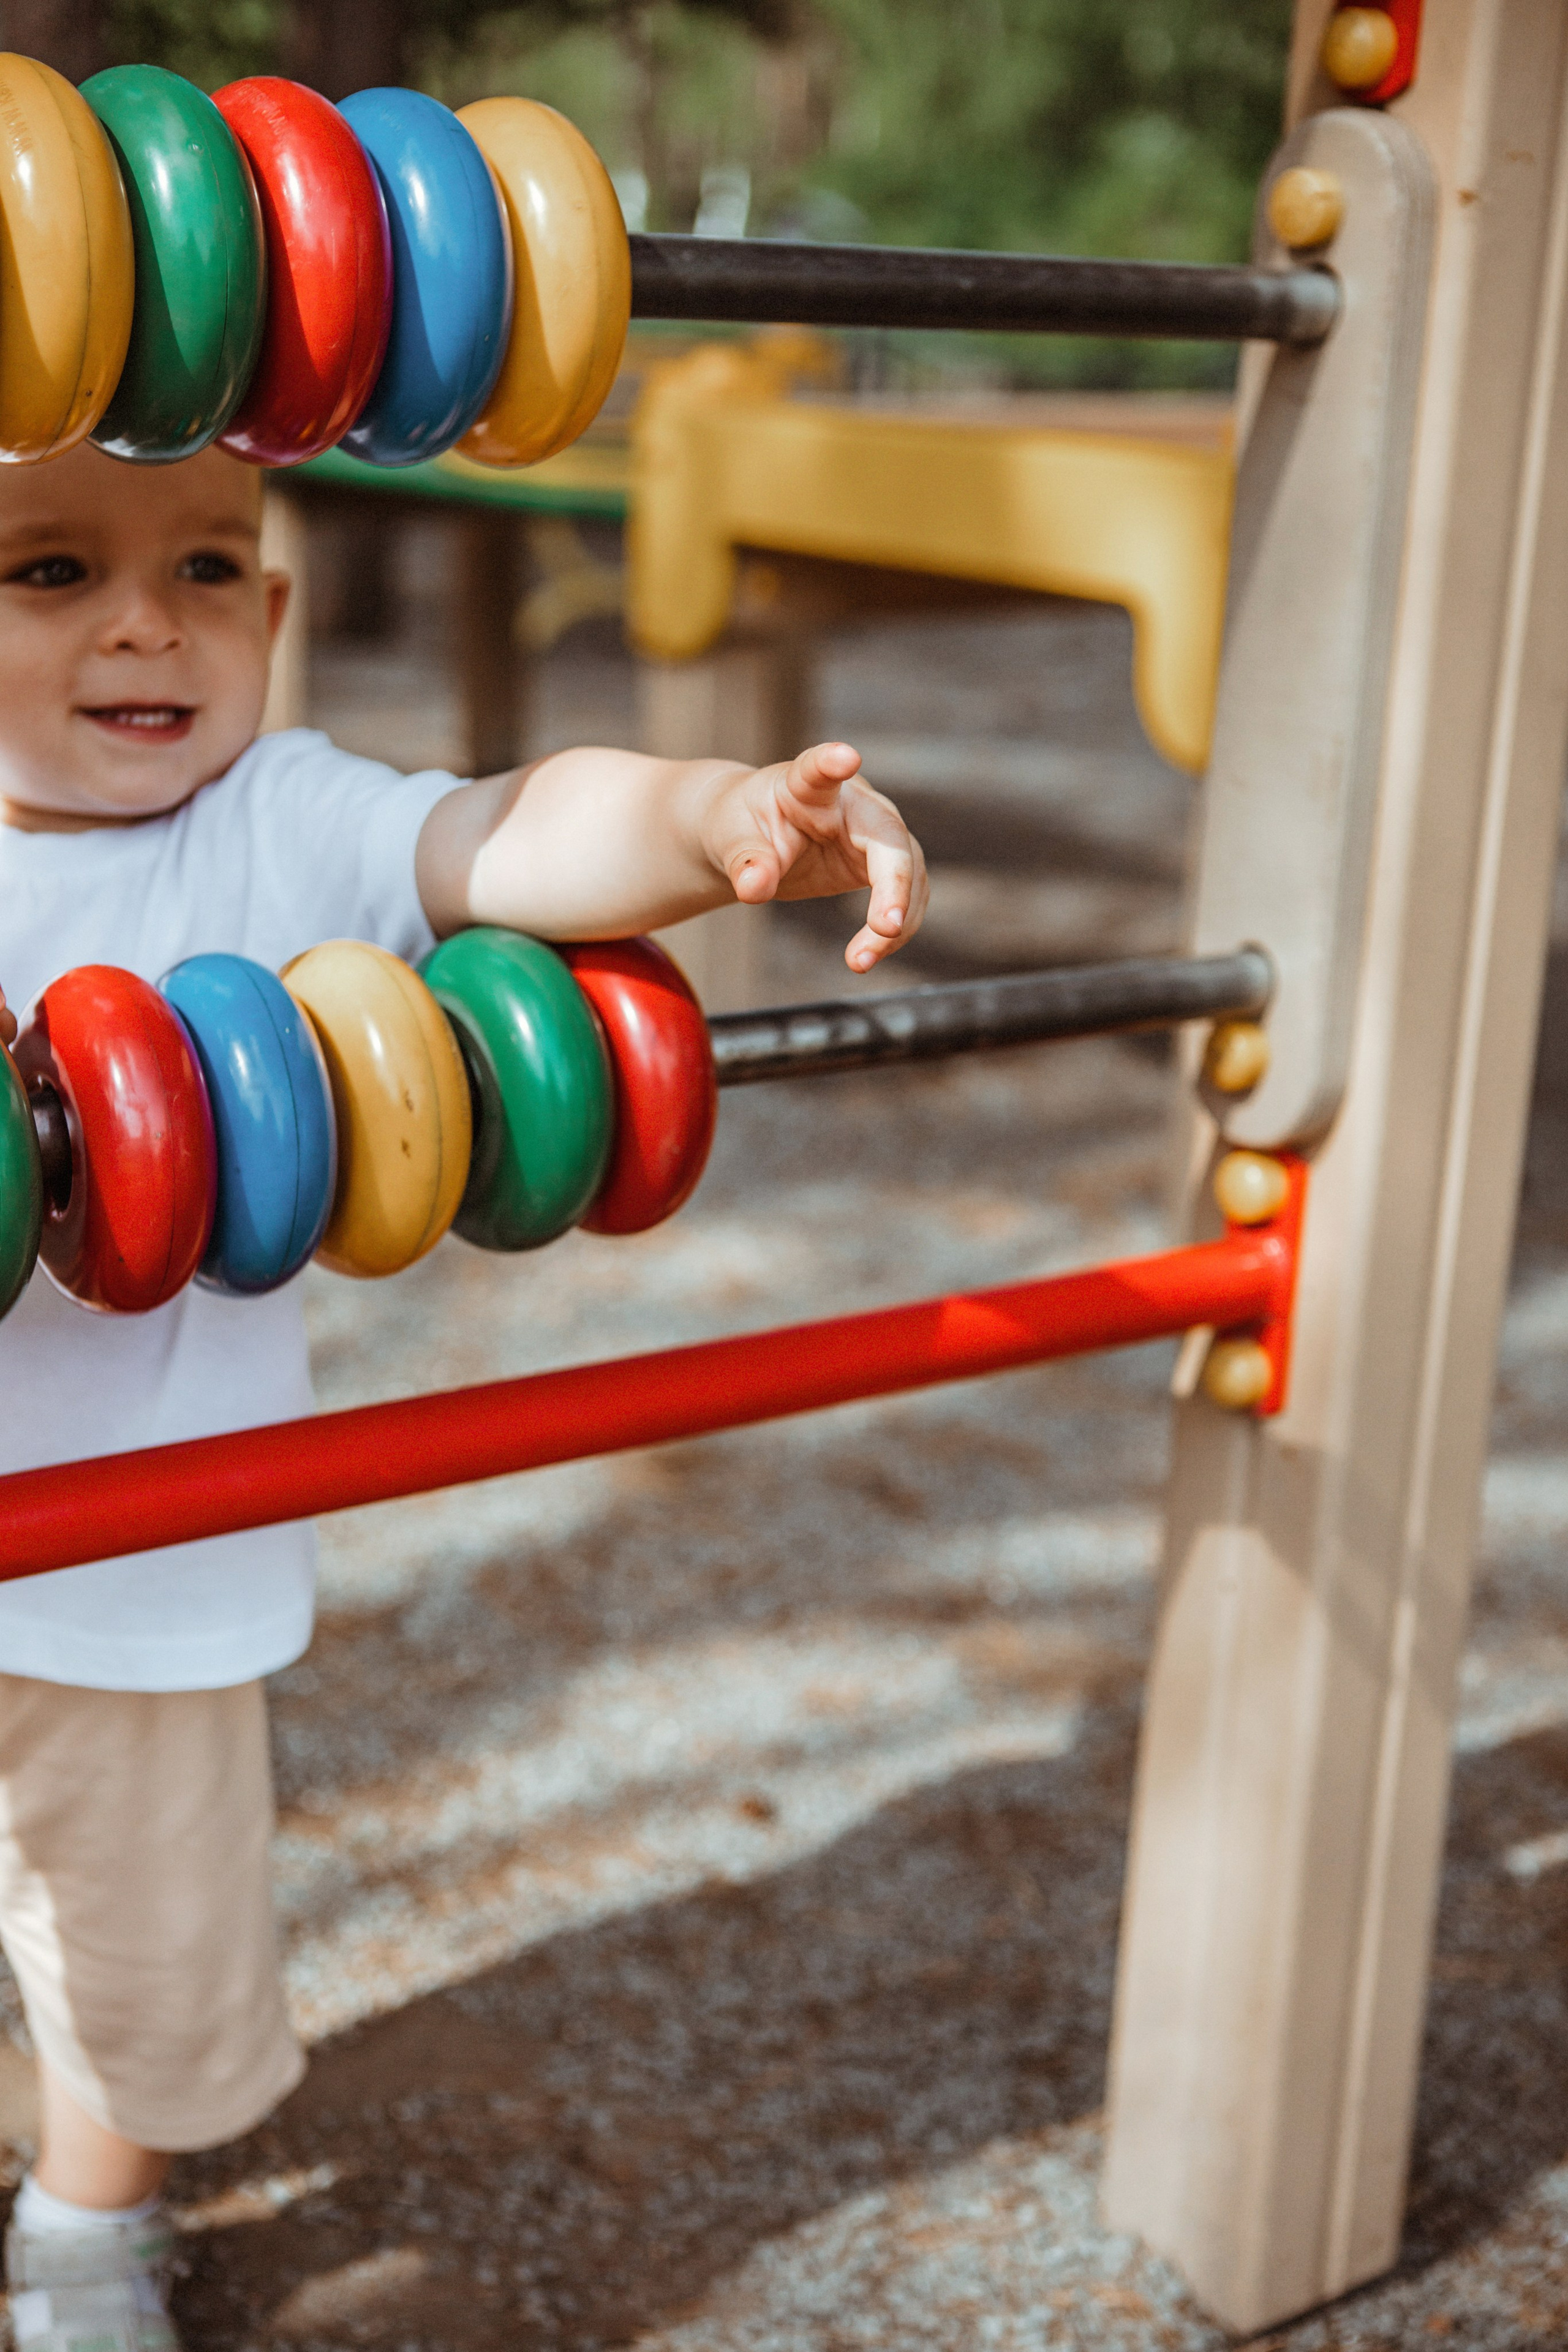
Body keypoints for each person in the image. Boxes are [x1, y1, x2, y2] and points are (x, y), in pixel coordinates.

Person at [0, 439, 928, 2352]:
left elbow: (515, 826)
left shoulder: (281, 820)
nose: (141, 621)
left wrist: (705, 810)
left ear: (275, 616)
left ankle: (90, 2233)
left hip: (137, 1575)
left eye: (201, 567)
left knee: (152, 1955)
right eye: (46, 572)